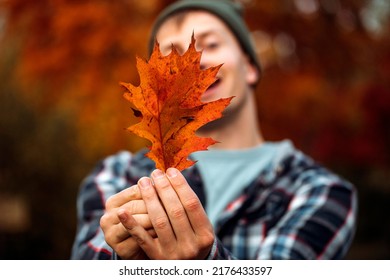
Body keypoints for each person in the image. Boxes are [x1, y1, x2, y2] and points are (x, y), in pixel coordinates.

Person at [71, 0, 357, 260]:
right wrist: (120, 258)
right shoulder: (120, 174)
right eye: (173, 55)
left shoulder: (316, 189)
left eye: (212, 44)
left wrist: (205, 262)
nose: (196, 62)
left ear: (249, 66)